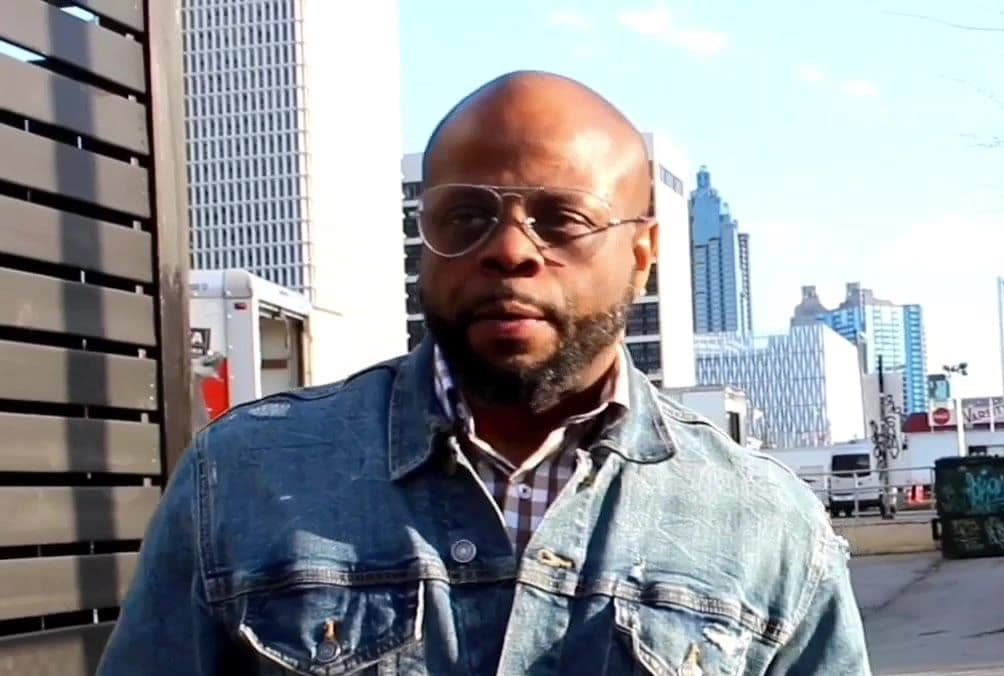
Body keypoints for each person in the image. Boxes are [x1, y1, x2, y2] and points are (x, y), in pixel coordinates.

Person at [99, 71, 871, 675]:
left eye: (562, 219)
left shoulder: (767, 524)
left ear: (642, 255)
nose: (509, 250)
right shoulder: (246, 477)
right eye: (466, 217)